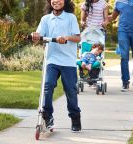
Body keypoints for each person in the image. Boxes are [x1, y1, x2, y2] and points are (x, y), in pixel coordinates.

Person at [32, 0, 81, 132]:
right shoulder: (46, 19)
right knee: (47, 86)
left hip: (68, 61)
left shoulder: (71, 17)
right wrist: (36, 36)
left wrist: (66, 38)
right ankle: (47, 116)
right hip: (52, 60)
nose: (56, 1)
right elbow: (39, 37)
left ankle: (75, 117)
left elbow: (77, 38)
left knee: (70, 90)